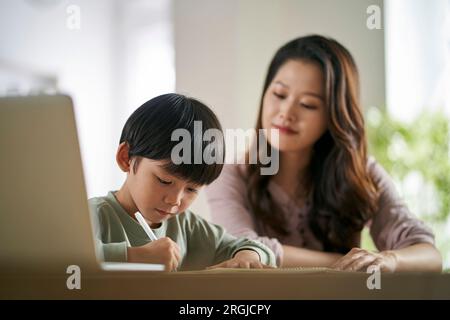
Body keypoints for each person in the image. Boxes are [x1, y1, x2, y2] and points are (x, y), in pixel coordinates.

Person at [205, 35, 442, 272]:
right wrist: (351, 262)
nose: (286, 112)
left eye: (308, 104)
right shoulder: (230, 173)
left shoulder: (361, 173)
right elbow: (244, 249)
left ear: (334, 115)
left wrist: (390, 259)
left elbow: (428, 255)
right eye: (279, 94)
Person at [89, 93, 276, 271]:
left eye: (191, 189)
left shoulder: (187, 227)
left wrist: (248, 257)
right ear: (126, 158)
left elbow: (255, 248)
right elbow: (64, 259)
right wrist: (135, 256)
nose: (175, 200)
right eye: (164, 181)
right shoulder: (94, 215)